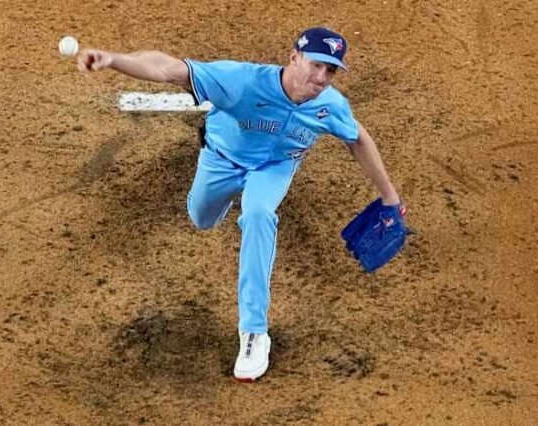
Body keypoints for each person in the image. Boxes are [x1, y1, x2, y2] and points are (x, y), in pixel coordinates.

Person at [77, 27, 402, 382]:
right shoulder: (241, 81)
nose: (322, 78)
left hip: (274, 168)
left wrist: (390, 196)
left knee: (259, 214)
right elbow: (169, 69)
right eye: (316, 65)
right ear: (294, 57)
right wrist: (114, 60)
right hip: (222, 159)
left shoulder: (330, 105)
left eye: (331, 70)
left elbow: (358, 138)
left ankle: (254, 333)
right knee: (201, 218)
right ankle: (225, 195)